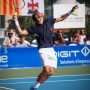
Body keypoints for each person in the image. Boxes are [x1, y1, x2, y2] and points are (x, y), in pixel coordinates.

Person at [13, 5, 78, 90]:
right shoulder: (33, 27)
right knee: (46, 70)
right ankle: (35, 87)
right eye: (39, 12)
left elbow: (62, 18)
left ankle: (34, 87)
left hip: (51, 49)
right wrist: (16, 20)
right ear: (37, 16)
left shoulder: (49, 21)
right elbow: (21, 32)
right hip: (43, 49)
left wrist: (71, 11)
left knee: (50, 73)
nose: (41, 13)